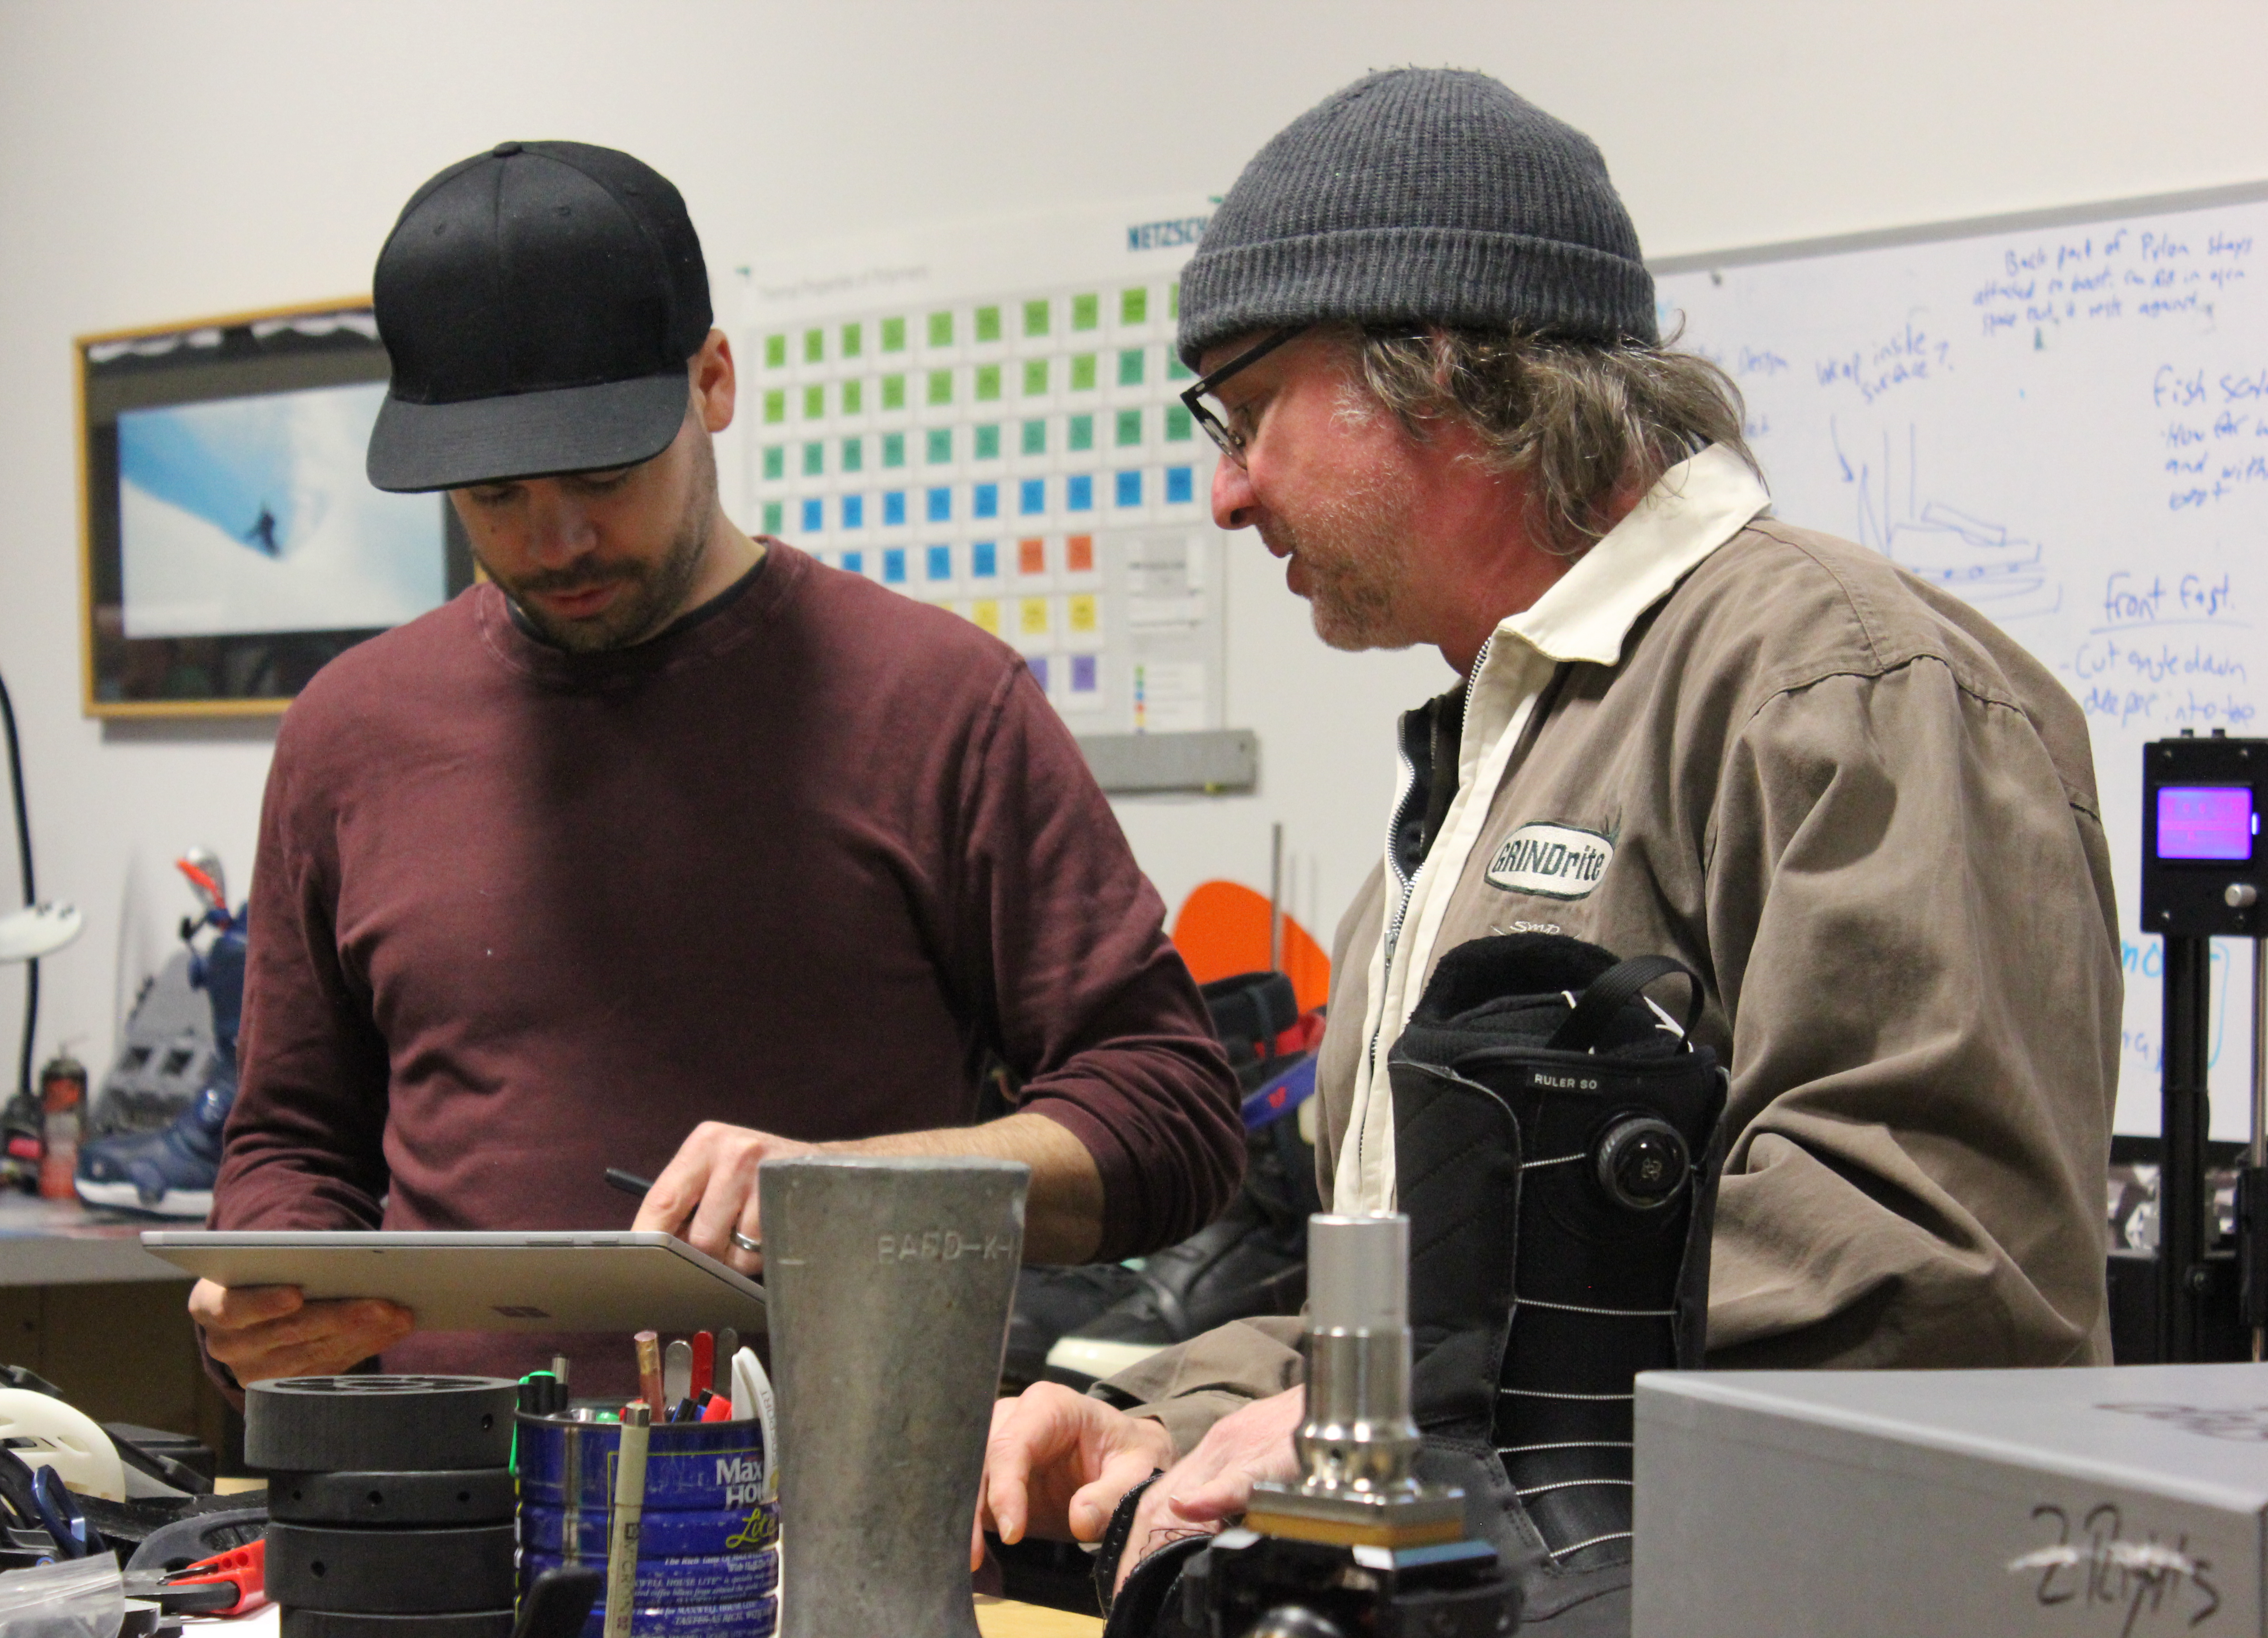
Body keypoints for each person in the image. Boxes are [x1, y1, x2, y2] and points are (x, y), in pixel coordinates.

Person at [979, 67, 2120, 1595]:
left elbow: (1920, 1262)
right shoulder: (1494, 752)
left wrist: (1369, 1419)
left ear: (1443, 372)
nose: (1228, 496)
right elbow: (1411, 1301)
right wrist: (1149, 1408)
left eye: (1248, 414)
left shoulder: (1839, 685)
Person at [190, 141, 1243, 1394]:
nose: (557, 536)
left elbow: (1172, 1117)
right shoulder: (348, 734)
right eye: (495, 496)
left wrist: (841, 1189)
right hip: (446, 1509)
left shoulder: (936, 705)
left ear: (715, 381)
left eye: (603, 475)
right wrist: (271, 1287)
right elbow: (293, 1142)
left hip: (834, 1516)